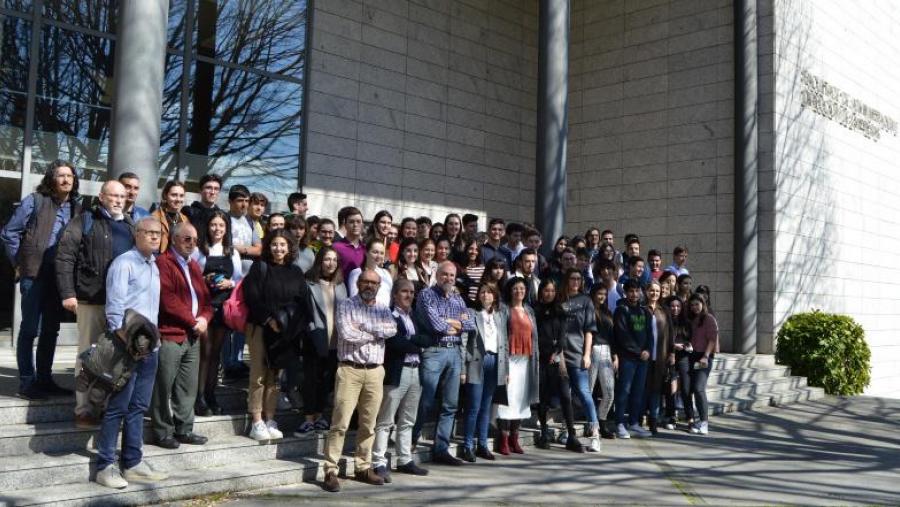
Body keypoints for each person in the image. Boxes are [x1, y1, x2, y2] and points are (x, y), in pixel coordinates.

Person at [93, 216, 165, 489]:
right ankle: (105, 465)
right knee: (117, 407)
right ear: (136, 234)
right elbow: (114, 309)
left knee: (138, 407)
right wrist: (127, 343)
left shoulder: (154, 265)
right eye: (149, 233)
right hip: (127, 348)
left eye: (158, 233)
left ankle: (133, 462)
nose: (155, 237)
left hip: (151, 347)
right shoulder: (124, 263)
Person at [56, 179, 135, 428]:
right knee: (89, 354)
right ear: (101, 197)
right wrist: (68, 292)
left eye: (122, 197)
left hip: (122, 305)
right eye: (113, 196)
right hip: (92, 299)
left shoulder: (131, 226)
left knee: (116, 358)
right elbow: (65, 256)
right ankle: (84, 409)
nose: (119, 200)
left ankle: (106, 407)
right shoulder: (85, 220)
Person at [1, 160, 81, 400]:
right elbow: (9, 233)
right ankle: (27, 381)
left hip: (59, 277)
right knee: (29, 328)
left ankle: (45, 379)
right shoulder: (35, 201)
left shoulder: (77, 208)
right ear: (51, 179)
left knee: (51, 330)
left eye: (70, 176)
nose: (66, 180)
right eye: (61, 176)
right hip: (34, 274)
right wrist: (19, 262)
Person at [322, 269, 398, 492]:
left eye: (373, 283)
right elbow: (347, 334)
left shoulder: (383, 308)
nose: (368, 285)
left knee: (369, 424)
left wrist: (364, 327)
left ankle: (363, 467)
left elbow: (392, 330)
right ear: (358, 283)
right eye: (365, 281)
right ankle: (330, 470)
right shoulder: (346, 305)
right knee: (340, 423)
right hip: (350, 370)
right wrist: (377, 332)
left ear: (378, 286)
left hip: (375, 371)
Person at [242, 229, 310, 441]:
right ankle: (256, 421)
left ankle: (270, 419)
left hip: (285, 332)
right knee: (259, 376)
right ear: (268, 246)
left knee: (274, 378)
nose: (278, 249)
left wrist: (290, 326)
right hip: (261, 328)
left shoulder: (296, 272)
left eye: (283, 245)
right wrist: (270, 320)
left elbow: (303, 301)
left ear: (289, 248)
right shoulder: (259, 267)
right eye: (274, 244)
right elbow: (252, 297)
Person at [151, 223, 212, 449]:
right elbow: (168, 301)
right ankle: (162, 431)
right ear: (174, 239)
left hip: (193, 335)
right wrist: (193, 321)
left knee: (188, 387)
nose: (192, 243)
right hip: (171, 334)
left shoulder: (194, 266)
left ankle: (184, 429)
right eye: (187, 239)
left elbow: (205, 299)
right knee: (163, 386)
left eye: (195, 240)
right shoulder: (163, 263)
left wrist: (205, 318)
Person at [412, 261, 475, 466]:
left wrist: (451, 323)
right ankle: (411, 439)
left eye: (452, 275)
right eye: (444, 274)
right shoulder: (426, 295)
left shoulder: (458, 298)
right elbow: (436, 325)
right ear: (436, 275)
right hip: (434, 351)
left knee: (451, 404)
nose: (448, 278)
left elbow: (470, 324)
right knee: (426, 399)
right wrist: (456, 322)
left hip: (455, 352)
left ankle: (441, 448)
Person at [371, 279, 431, 481]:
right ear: (395, 294)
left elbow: (428, 338)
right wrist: (416, 344)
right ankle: (378, 461)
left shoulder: (414, 316)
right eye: (404, 291)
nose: (409, 295)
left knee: (408, 420)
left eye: (412, 292)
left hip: (415, 371)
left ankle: (405, 459)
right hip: (397, 371)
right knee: (385, 420)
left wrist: (411, 341)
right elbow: (395, 343)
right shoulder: (389, 315)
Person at [191, 209, 243, 416]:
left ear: (226, 228)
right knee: (204, 352)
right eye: (214, 225)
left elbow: (239, 280)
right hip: (204, 307)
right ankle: (199, 396)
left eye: (221, 225)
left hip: (223, 307)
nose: (217, 229)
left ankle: (211, 394)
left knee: (215, 355)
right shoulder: (199, 251)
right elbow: (191, 277)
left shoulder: (233, 252)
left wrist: (230, 282)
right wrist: (204, 281)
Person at [295, 246, 346, 435]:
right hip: (313, 338)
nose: (330, 263)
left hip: (335, 341)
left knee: (326, 382)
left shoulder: (340, 284)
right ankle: (308, 419)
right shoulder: (309, 282)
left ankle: (319, 416)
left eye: (334, 260)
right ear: (319, 262)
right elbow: (302, 311)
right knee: (310, 380)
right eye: (327, 259)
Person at [461, 282, 509, 462]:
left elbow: (505, 343)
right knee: (473, 406)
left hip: (495, 361)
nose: (485, 295)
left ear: (495, 296)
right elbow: (464, 341)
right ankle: (468, 445)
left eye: (489, 292)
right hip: (476, 362)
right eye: (482, 292)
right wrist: (463, 368)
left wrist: (505, 369)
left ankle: (482, 444)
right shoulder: (472, 314)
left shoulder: (500, 316)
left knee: (486, 407)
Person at [557, 269, 602, 452]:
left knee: (584, 393)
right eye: (572, 278)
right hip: (560, 355)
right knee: (564, 395)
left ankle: (595, 434)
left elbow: (589, 330)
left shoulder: (586, 301)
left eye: (578, 279)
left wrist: (586, 354)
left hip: (577, 354)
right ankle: (566, 431)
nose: (575, 281)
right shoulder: (560, 300)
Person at [534, 279, 581, 452]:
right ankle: (544, 432)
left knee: (565, 396)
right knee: (543, 398)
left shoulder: (559, 311)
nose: (549, 294)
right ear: (541, 292)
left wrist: (557, 351)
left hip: (557, 358)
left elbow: (562, 335)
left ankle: (572, 434)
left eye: (552, 291)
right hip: (541, 359)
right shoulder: (535, 310)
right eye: (546, 290)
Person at [496, 277, 539, 455]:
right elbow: (501, 336)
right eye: (515, 288)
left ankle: (515, 437)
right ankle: (504, 439)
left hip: (526, 361)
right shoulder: (504, 309)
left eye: (522, 288)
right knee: (508, 400)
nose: (519, 291)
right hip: (510, 360)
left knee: (521, 400)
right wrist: (504, 365)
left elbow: (534, 337)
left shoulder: (529, 310)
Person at [613, 279, 653, 439]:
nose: (634, 294)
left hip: (643, 359)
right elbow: (622, 336)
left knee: (638, 391)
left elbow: (650, 335)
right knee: (624, 391)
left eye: (637, 291)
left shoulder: (645, 312)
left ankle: (634, 423)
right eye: (631, 291)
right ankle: (619, 423)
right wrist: (639, 352)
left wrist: (648, 350)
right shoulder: (621, 310)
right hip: (628, 358)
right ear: (625, 292)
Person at [686, 293, 718, 435]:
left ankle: (704, 422)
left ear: (703, 304)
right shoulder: (692, 319)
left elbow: (712, 339)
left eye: (697, 304)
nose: (694, 307)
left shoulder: (709, 319)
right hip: (692, 356)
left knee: (699, 388)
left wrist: (705, 356)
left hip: (704, 358)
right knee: (693, 389)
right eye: (692, 305)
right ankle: (700, 420)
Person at [643, 280, 673, 435]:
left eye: (657, 291)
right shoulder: (642, 309)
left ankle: (653, 421)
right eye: (651, 290)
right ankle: (639, 418)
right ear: (646, 292)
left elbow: (671, 333)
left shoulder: (664, 310)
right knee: (643, 389)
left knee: (656, 390)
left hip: (660, 357)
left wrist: (672, 353)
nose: (654, 293)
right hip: (644, 357)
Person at [589, 284, 617, 439]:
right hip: (591, 350)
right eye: (599, 293)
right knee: (588, 390)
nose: (602, 297)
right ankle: (591, 424)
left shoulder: (607, 311)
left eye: (604, 294)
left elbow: (612, 335)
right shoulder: (588, 309)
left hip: (606, 350)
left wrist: (615, 355)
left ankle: (602, 422)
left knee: (609, 392)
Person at [665, 295, 691, 431]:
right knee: (671, 388)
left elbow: (691, 341)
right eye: (673, 306)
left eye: (678, 306)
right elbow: (663, 340)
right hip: (670, 357)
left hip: (684, 358)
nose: (675, 309)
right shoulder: (665, 321)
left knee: (686, 388)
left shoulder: (686, 322)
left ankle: (690, 417)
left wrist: (686, 346)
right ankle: (671, 416)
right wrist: (673, 347)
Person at [347, 238, 393, 307]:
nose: (378, 256)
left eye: (381, 253)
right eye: (375, 252)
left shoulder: (386, 274)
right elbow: (354, 297)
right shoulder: (356, 273)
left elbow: (390, 297)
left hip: (384, 315)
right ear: (366, 252)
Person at [151, 180, 188, 253]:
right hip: (160, 259)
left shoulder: (185, 219)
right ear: (165, 195)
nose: (178, 199)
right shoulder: (155, 217)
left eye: (181, 196)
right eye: (174, 195)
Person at [333, 206, 366, 284]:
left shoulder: (366, 249)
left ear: (362, 225)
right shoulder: (336, 247)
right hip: (341, 292)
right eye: (351, 222)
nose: (355, 225)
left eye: (358, 221)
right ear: (345, 225)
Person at [459, 238, 485, 306]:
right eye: (471, 248)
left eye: (476, 249)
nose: (473, 252)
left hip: (479, 304)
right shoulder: (460, 268)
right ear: (466, 249)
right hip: (464, 304)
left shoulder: (483, 269)